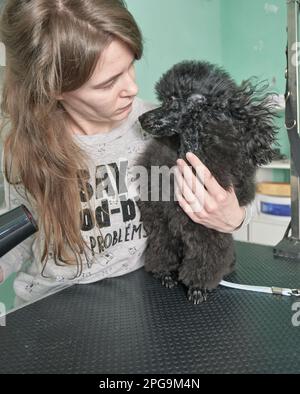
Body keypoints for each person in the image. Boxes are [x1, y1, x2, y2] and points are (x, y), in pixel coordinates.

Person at [0, 0, 251, 307]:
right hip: (53, 308)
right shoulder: (23, 147)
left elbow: (217, 207)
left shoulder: (164, 128)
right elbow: (24, 234)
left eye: (130, 65)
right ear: (55, 88)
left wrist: (234, 217)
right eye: (108, 83)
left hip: (139, 297)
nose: (132, 88)